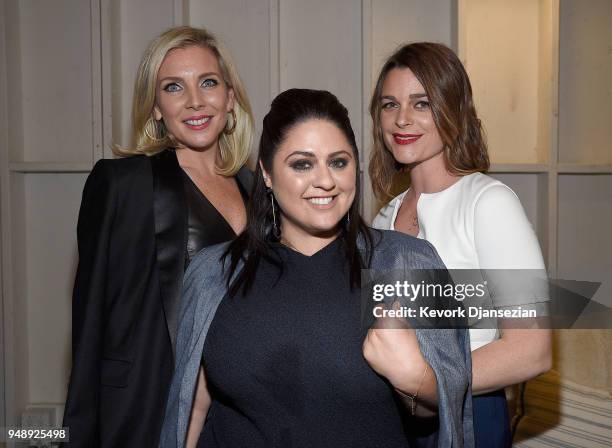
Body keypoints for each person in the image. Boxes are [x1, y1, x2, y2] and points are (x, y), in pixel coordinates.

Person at [159, 89, 474, 448]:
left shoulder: (408, 263)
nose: (325, 180)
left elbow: (448, 411)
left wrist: (415, 376)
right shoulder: (212, 273)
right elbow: (191, 407)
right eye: (302, 164)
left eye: (339, 162)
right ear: (266, 173)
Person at [62, 26, 254, 447]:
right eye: (173, 88)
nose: (195, 101)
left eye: (208, 82)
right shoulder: (122, 185)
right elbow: (90, 321)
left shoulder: (261, 192)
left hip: (242, 412)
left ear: (230, 97)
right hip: (153, 410)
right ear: (155, 109)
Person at [370, 42, 552, 447]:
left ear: (453, 109)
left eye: (421, 104)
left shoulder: (489, 202)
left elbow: (532, 350)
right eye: (389, 104)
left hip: (470, 411)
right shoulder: (383, 217)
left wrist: (429, 382)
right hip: (390, 419)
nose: (402, 119)